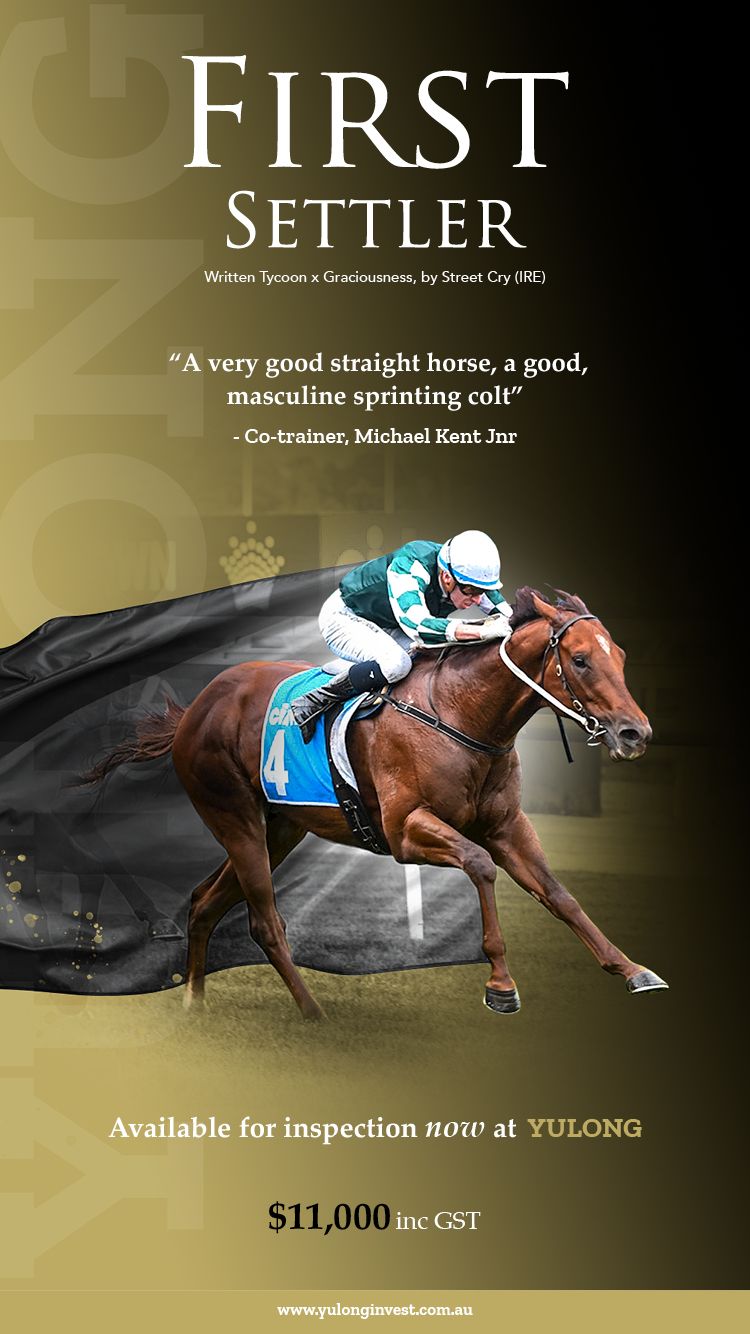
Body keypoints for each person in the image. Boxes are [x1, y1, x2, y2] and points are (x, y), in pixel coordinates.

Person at [292, 530, 513, 741]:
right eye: (472, 591)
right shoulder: (411, 565)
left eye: (482, 591)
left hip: (390, 624)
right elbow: (418, 626)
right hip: (345, 616)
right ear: (447, 577)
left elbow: (509, 617)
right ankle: (315, 699)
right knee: (397, 664)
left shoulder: (466, 575)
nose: (477, 600)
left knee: (439, 657)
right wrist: (480, 630)